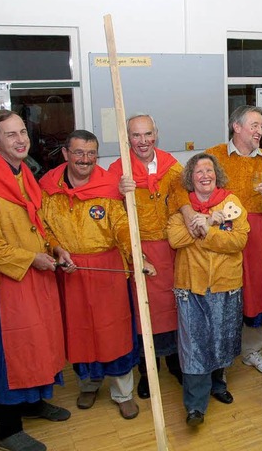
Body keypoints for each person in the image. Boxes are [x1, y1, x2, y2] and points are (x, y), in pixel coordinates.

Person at [0, 110, 70, 451]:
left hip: (38, 278)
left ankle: (33, 403)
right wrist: (30, 259)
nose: (21, 139)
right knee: (12, 353)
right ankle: (7, 429)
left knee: (39, 345)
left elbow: (37, 222)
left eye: (22, 131)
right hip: (8, 284)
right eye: (10, 134)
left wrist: (56, 247)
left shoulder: (24, 173)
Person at [40, 129, 140, 420]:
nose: (85, 159)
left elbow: (121, 224)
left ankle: (123, 392)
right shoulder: (48, 187)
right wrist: (57, 250)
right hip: (70, 272)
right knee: (80, 332)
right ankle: (89, 383)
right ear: (66, 154)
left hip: (107, 270)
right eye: (79, 152)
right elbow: (42, 226)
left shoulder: (109, 185)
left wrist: (134, 251)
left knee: (115, 332)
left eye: (92, 153)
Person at [167, 153, 250, 427]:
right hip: (191, 285)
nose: (205, 175)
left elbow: (238, 240)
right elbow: (175, 238)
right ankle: (195, 406)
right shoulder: (182, 207)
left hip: (226, 284)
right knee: (194, 346)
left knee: (221, 338)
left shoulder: (231, 203)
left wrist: (208, 232)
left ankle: (218, 383)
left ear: (217, 175)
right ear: (191, 177)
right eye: (199, 171)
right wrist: (204, 221)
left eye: (209, 170)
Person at [201, 105, 262, 375]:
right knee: (224, 287)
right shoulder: (213, 156)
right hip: (224, 229)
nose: (260, 131)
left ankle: (251, 350)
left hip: (258, 229)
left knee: (257, 289)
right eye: (254, 126)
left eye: (261, 126)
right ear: (236, 127)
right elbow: (193, 189)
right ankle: (221, 356)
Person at [109, 114, 183, 399]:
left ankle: (176, 364)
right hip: (137, 252)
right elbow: (113, 216)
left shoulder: (173, 167)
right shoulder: (119, 169)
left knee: (175, 308)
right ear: (128, 138)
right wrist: (118, 192)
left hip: (172, 249)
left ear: (157, 134)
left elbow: (184, 201)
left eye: (147, 134)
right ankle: (145, 371)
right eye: (136, 136)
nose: (143, 141)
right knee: (142, 313)